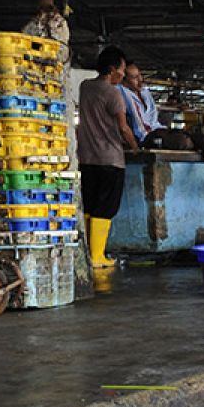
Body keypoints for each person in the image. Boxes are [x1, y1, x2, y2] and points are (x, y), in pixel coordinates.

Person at [118, 62, 204, 193]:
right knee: (183, 141)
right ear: (124, 80)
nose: (140, 80)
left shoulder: (145, 92)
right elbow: (123, 125)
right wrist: (135, 148)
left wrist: (170, 110)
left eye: (140, 76)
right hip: (145, 137)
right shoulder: (120, 92)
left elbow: (154, 118)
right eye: (134, 77)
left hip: (160, 130)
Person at [77, 45, 138, 269]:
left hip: (86, 157)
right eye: (122, 70)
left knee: (90, 206)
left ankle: (85, 254)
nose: (123, 75)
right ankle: (97, 256)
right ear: (112, 70)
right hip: (110, 158)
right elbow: (123, 128)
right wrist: (134, 146)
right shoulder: (113, 93)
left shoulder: (85, 87)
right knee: (105, 208)